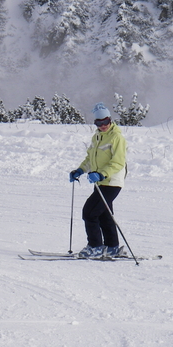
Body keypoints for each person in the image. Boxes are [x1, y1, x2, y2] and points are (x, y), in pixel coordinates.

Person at [69, 102, 127, 258]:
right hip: (101, 183)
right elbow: (90, 158)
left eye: (106, 121)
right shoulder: (97, 137)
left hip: (112, 182)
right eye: (99, 122)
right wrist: (80, 170)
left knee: (89, 212)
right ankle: (112, 247)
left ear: (110, 119)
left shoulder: (117, 137)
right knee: (104, 214)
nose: (103, 125)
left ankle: (95, 247)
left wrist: (102, 174)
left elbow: (118, 162)